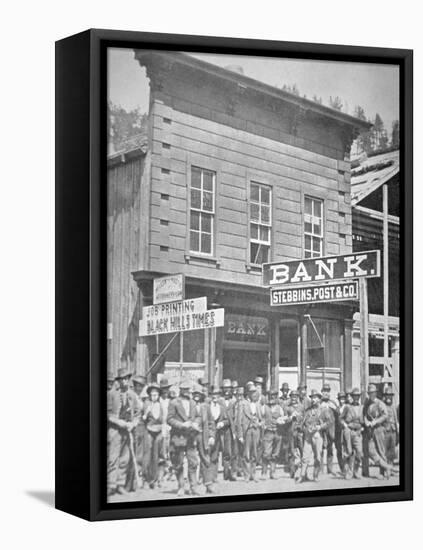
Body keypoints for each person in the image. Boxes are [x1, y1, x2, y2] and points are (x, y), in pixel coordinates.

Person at [107, 367, 140, 496]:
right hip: (115, 430)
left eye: (126, 379)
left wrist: (133, 423)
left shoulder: (132, 395)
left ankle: (120, 484)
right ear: (118, 381)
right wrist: (119, 422)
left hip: (128, 431)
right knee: (113, 458)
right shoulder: (111, 394)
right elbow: (108, 414)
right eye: (122, 379)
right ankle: (111, 484)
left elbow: (137, 413)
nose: (124, 382)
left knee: (125, 458)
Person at [167, 380, 202, 496]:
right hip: (178, 437)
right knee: (178, 463)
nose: (187, 392)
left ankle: (194, 487)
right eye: (185, 389)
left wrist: (196, 423)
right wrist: (181, 425)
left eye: (188, 389)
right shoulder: (174, 402)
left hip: (190, 437)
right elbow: (169, 419)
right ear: (180, 390)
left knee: (193, 462)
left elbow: (198, 416)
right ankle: (181, 486)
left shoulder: (192, 402)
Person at [363, 384, 392, 479]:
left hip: (379, 429)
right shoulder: (367, 403)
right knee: (371, 451)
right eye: (370, 393)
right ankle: (387, 467)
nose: (372, 394)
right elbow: (365, 415)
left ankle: (383, 473)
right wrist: (366, 422)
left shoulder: (380, 403)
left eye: (373, 392)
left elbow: (385, 415)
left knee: (381, 450)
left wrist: (375, 422)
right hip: (370, 430)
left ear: (376, 393)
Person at [192, 384, 216, 494]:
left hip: (203, 436)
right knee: (192, 460)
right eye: (195, 394)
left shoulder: (205, 406)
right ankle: (192, 486)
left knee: (206, 459)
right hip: (191, 436)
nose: (197, 396)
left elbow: (211, 422)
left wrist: (211, 436)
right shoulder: (189, 405)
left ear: (202, 396)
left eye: (198, 394)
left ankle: (208, 484)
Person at [300, 389, 327, 482]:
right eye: (312, 398)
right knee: (305, 456)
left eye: (315, 397)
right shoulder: (307, 411)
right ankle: (302, 476)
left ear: (319, 399)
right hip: (308, 436)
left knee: (317, 457)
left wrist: (320, 426)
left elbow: (329, 423)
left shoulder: (323, 410)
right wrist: (306, 429)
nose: (313, 400)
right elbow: (302, 424)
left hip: (318, 436)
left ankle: (315, 476)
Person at [237, 383, 262, 482]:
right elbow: (238, 421)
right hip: (246, 431)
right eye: (252, 392)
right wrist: (240, 435)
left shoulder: (257, 404)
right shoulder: (242, 403)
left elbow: (261, 418)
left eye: (255, 392)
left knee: (255, 453)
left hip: (256, 430)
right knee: (246, 453)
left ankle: (253, 474)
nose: (254, 394)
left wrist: (260, 423)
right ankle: (246, 475)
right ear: (248, 393)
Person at [142, 383, 165, 489]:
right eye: (152, 395)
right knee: (147, 455)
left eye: (156, 395)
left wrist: (164, 430)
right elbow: (143, 418)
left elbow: (164, 419)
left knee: (157, 455)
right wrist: (145, 414)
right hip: (149, 430)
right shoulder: (147, 404)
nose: (154, 397)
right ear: (149, 395)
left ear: (159, 395)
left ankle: (155, 479)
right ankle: (146, 479)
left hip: (159, 431)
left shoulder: (161, 404)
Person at [209, 386, 233, 482]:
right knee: (210, 455)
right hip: (209, 434)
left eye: (217, 395)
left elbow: (228, 420)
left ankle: (219, 476)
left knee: (220, 454)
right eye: (213, 395)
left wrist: (222, 423)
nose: (215, 397)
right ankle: (209, 476)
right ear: (210, 395)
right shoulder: (206, 406)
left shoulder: (222, 408)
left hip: (219, 434)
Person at [261, 388, 285, 479]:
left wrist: (282, 421)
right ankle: (263, 473)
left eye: (274, 396)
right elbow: (261, 419)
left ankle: (273, 472)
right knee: (266, 453)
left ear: (276, 397)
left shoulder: (280, 408)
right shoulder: (264, 407)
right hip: (268, 433)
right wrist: (263, 425)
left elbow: (284, 419)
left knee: (275, 453)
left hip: (278, 433)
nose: (272, 398)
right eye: (270, 396)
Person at [340, 388, 363, 480]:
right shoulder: (347, 407)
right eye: (354, 396)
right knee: (348, 452)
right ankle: (348, 472)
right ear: (352, 397)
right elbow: (340, 418)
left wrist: (363, 426)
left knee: (359, 453)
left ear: (359, 397)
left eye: (358, 396)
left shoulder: (362, 407)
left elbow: (364, 418)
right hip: (348, 431)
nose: (356, 398)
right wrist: (345, 425)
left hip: (357, 432)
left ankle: (356, 471)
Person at [285, 389, 304, 482]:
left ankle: (303, 472)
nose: (294, 398)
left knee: (302, 450)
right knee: (291, 451)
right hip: (291, 432)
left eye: (295, 397)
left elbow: (305, 419)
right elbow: (285, 420)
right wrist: (291, 416)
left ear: (298, 398)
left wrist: (300, 422)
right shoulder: (288, 408)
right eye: (292, 396)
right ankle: (292, 471)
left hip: (300, 432)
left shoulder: (302, 407)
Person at [319, 383, 338, 475]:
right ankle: (320, 469)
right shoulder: (319, 403)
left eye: (328, 391)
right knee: (321, 448)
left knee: (330, 449)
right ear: (322, 392)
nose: (326, 393)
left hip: (331, 428)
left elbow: (339, 415)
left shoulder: (333, 403)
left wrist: (335, 408)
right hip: (321, 428)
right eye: (324, 391)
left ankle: (330, 469)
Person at [132, 374, 148, 484]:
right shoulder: (131, 396)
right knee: (134, 449)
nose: (140, 388)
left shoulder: (143, 399)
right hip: (133, 426)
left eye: (141, 386)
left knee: (141, 451)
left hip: (142, 426)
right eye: (138, 385)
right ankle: (134, 475)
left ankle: (140, 474)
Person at [221, 379, 237, 480]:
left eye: (228, 389)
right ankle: (226, 472)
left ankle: (233, 473)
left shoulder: (235, 401)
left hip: (233, 430)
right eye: (225, 389)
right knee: (225, 451)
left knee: (234, 452)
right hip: (222, 430)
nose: (227, 391)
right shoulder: (219, 400)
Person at [382, 386, 399, 472]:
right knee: (384, 451)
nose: (388, 397)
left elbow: (396, 419)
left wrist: (397, 431)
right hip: (385, 431)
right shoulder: (382, 405)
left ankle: (390, 469)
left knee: (392, 451)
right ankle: (383, 471)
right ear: (385, 396)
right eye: (387, 395)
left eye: (390, 395)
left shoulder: (393, 406)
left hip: (393, 431)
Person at [159, 378, 172, 483]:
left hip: (170, 427)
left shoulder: (171, 401)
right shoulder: (158, 400)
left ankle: (171, 471)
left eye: (166, 389)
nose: (165, 391)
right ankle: (163, 472)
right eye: (163, 389)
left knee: (171, 450)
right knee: (162, 451)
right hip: (161, 427)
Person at [279, 382, 291, 468]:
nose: (285, 392)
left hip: (288, 423)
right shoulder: (279, 400)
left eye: (286, 390)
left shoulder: (290, 400)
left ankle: (287, 459)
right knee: (281, 441)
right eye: (284, 390)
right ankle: (281, 459)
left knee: (288, 441)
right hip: (281, 423)